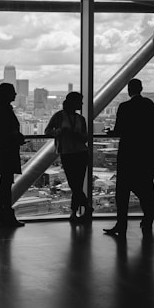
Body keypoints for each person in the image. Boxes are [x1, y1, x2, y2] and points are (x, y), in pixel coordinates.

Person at [103, 79, 154, 237]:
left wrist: (109, 132)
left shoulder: (125, 107)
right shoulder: (151, 106)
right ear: (141, 88)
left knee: (122, 193)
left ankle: (121, 225)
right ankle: (147, 222)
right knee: (146, 191)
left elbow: (119, 130)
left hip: (128, 155)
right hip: (146, 155)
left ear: (129, 90)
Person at [45, 92, 91, 223]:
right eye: (80, 101)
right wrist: (59, 132)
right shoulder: (59, 116)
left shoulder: (80, 119)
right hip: (69, 153)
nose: (82, 104)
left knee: (76, 184)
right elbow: (48, 131)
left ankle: (75, 212)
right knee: (74, 184)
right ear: (73, 102)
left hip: (78, 153)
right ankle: (84, 207)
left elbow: (85, 137)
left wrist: (74, 134)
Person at [0, 83, 26, 228]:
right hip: (7, 150)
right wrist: (17, 137)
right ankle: (5, 215)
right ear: (7, 94)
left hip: (2, 150)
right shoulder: (4, 110)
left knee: (5, 184)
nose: (15, 95)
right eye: (13, 92)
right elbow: (7, 130)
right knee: (6, 184)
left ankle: (1, 215)